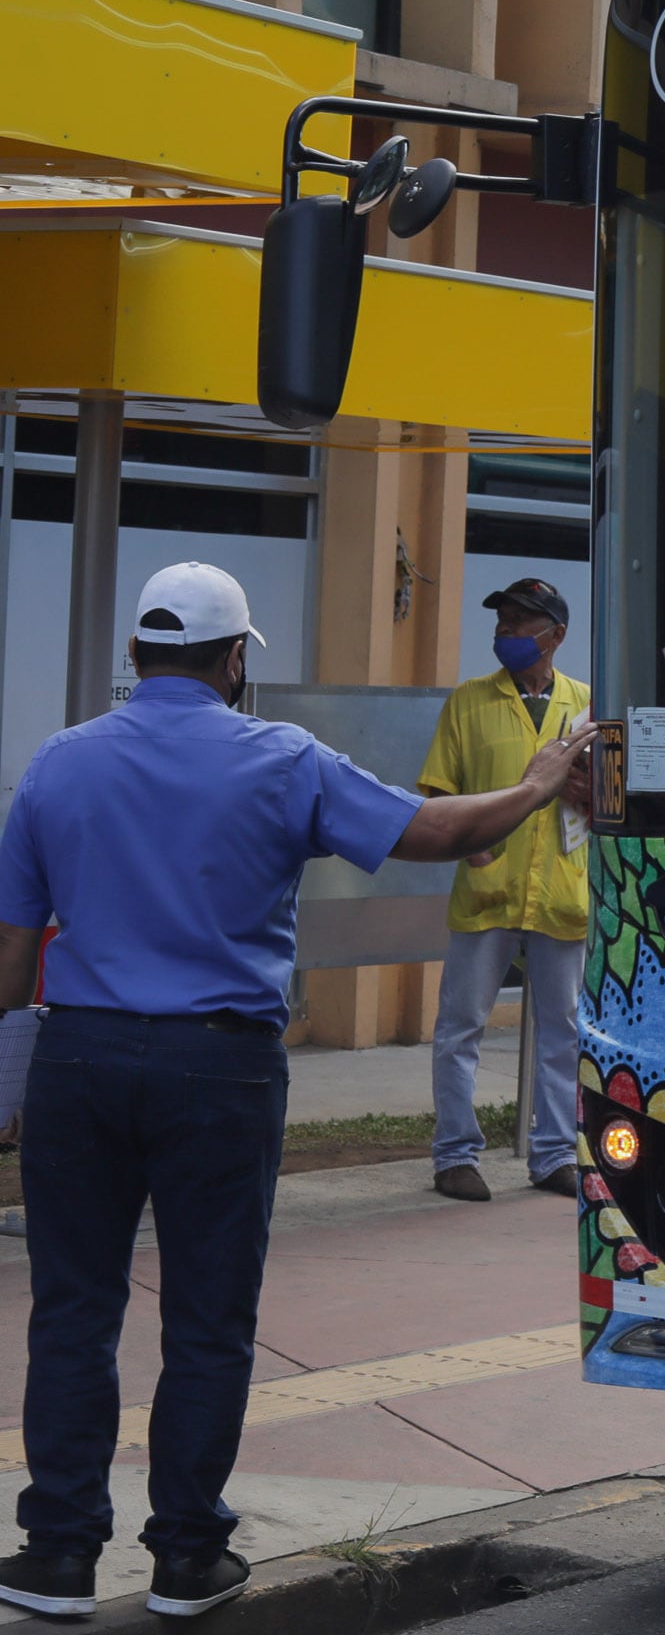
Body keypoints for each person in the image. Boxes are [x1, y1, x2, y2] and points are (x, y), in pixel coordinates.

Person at [0, 563, 585, 1620]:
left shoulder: (57, 763)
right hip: (219, 1068)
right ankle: (186, 1557)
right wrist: (544, 777)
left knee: (73, 1311)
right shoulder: (281, 757)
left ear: (135, 655)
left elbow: (7, 963)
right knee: (210, 1316)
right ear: (235, 660)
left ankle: (57, 1555)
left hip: (79, 1060)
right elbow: (443, 831)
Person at [418, 578, 592, 1204]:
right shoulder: (469, 701)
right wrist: (470, 841)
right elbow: (439, 788)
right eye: (502, 624)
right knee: (460, 1025)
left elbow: (616, 803)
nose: (507, 635)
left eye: (521, 624)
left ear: (556, 636)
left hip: (561, 891)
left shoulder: (588, 708)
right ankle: (455, 1156)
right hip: (489, 888)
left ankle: (552, 1156)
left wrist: (589, 795)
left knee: (562, 1031)